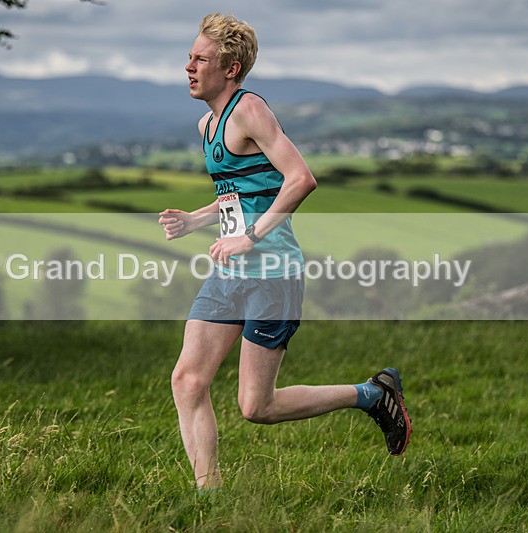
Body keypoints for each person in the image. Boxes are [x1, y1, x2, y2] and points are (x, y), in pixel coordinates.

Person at [158, 13, 412, 490]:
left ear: (230, 68)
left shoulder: (250, 110)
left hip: (273, 271)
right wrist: (197, 219)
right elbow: (241, 193)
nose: (188, 67)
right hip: (230, 271)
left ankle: (371, 395)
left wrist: (249, 237)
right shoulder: (206, 125)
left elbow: (300, 179)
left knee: (257, 407)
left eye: (200, 59)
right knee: (187, 381)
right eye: (189, 57)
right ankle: (207, 496)